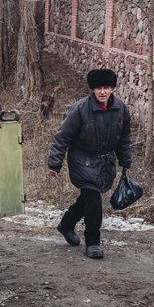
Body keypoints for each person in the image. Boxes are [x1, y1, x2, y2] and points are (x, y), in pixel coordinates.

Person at [47, 68, 132, 259]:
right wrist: (54, 164)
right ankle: (93, 242)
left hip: (104, 162)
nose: (102, 91)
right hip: (82, 160)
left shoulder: (121, 109)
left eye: (107, 87)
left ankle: (66, 224)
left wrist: (125, 160)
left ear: (112, 89)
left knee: (87, 199)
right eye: (98, 88)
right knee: (93, 201)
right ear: (92, 89)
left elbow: (124, 138)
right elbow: (62, 137)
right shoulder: (80, 109)